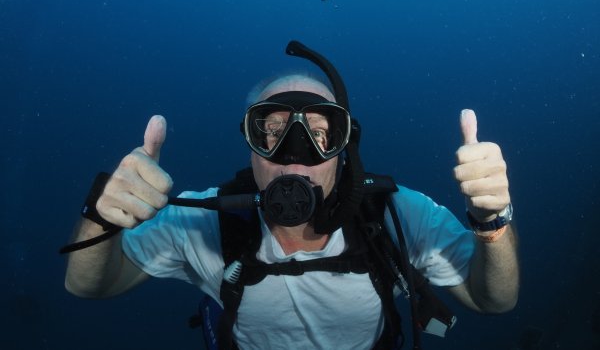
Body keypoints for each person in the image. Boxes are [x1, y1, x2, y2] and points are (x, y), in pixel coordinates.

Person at [64, 42, 519, 349]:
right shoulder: (203, 220)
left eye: (321, 134)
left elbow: (495, 300)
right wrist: (102, 218)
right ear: (250, 144)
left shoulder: (397, 214)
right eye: (274, 131)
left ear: (346, 149)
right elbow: (87, 285)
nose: (295, 157)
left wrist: (491, 223)